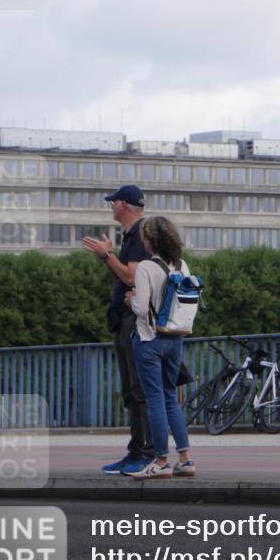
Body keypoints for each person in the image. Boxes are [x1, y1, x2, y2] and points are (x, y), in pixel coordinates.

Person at [83, 184, 155, 475]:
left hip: (134, 321)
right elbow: (125, 276)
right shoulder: (133, 235)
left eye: (113, 202)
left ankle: (145, 453)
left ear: (123, 204)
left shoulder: (139, 234)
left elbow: (131, 277)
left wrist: (106, 256)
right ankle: (135, 451)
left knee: (138, 390)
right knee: (131, 389)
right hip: (126, 319)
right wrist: (108, 256)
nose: (110, 206)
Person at [126, 216, 196, 480]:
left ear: (151, 240)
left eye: (144, 236)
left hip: (150, 340)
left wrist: (131, 300)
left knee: (155, 399)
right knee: (170, 399)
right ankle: (186, 459)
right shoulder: (181, 265)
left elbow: (142, 309)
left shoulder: (145, 267)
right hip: (175, 338)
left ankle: (161, 461)